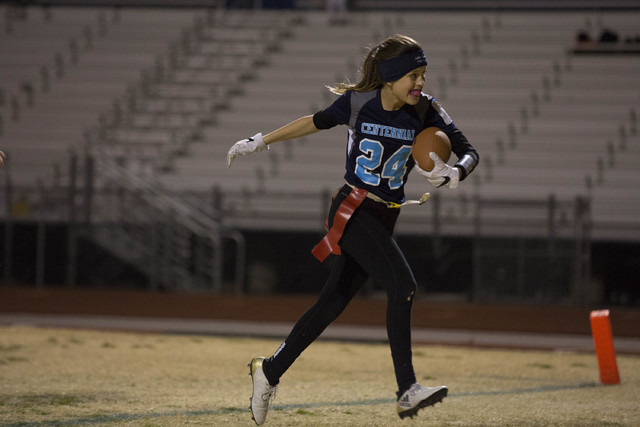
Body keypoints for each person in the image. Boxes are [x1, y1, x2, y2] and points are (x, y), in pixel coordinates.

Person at [227, 34, 479, 425]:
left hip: (385, 216)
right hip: (352, 209)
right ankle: (407, 389)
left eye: (424, 75)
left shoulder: (427, 110)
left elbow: (469, 150)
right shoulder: (358, 103)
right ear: (392, 76)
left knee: (332, 303)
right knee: (403, 285)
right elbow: (314, 121)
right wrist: (260, 140)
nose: (421, 83)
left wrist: (455, 173)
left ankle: (269, 371)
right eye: (414, 74)